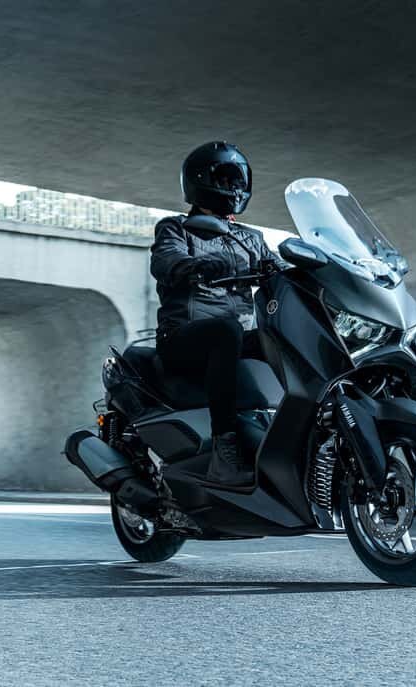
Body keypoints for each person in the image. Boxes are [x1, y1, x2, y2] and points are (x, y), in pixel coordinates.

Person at [149, 141, 281, 490]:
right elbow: (166, 261)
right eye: (225, 179)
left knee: (283, 337)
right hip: (183, 338)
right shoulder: (175, 228)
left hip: (234, 339)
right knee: (226, 330)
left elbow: (279, 270)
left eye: (237, 180)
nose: (233, 187)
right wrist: (198, 265)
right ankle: (225, 452)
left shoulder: (250, 238)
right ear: (200, 181)